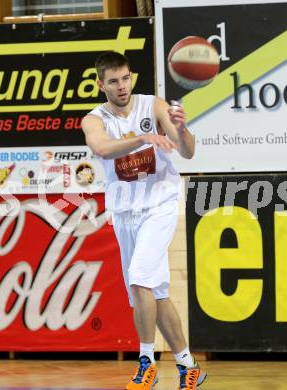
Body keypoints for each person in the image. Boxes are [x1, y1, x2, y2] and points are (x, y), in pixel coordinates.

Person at [82, 51, 206, 390]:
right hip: (125, 210)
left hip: (159, 203)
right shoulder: (94, 119)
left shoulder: (152, 106)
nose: (121, 86)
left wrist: (181, 130)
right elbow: (103, 149)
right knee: (152, 292)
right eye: (113, 81)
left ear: (131, 77)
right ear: (100, 84)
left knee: (139, 277)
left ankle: (146, 361)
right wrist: (142, 138)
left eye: (125, 78)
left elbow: (188, 151)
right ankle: (187, 364)